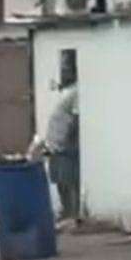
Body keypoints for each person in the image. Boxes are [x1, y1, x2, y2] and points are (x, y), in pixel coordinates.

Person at [42, 73, 81, 223]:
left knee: (68, 179)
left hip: (64, 143)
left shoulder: (76, 91)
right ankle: (66, 211)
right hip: (55, 141)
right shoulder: (66, 91)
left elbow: (76, 119)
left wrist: (67, 140)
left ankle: (72, 212)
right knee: (58, 178)